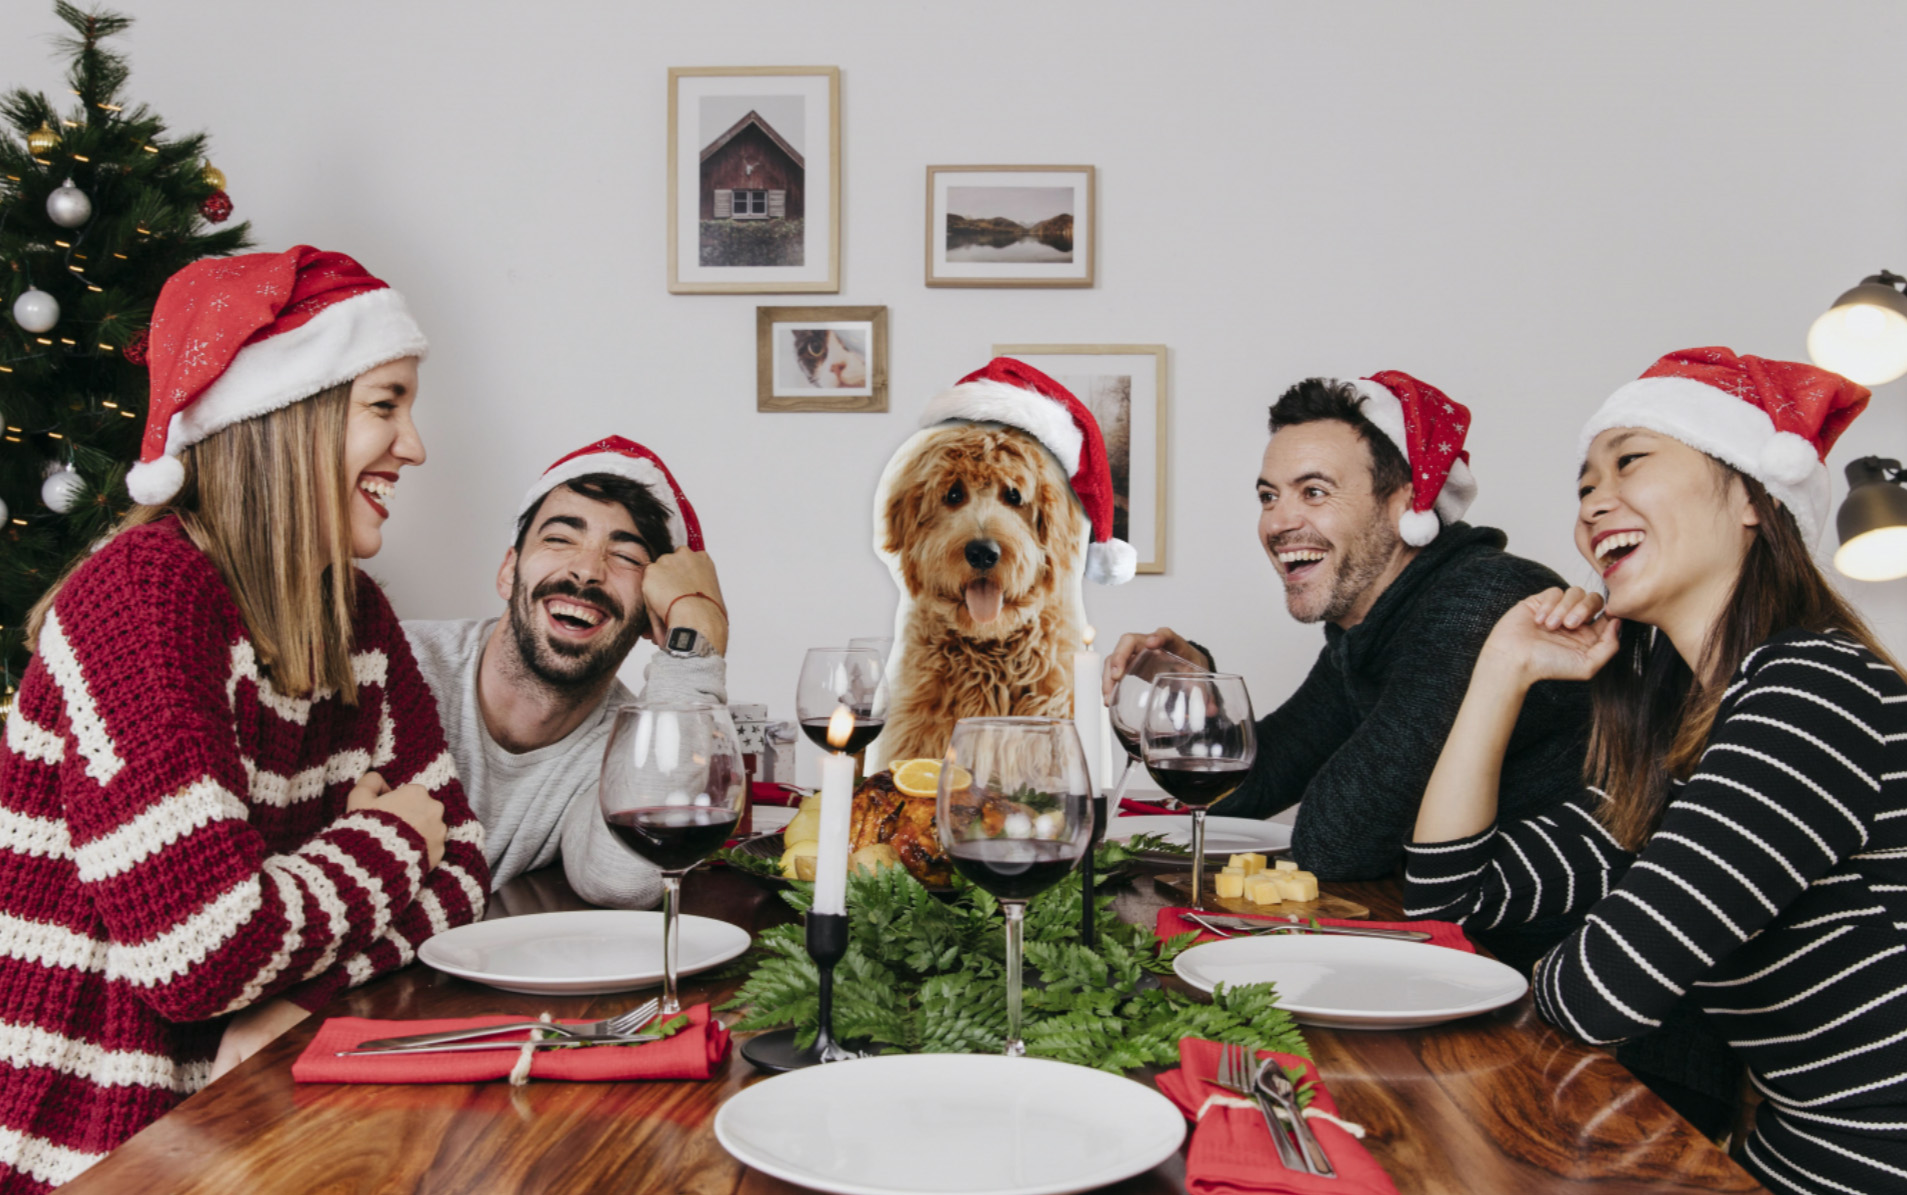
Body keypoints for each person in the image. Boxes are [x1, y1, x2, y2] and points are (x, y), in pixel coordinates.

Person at [0, 247, 488, 1192]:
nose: (414, 446)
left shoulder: (352, 612)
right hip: (102, 1151)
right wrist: (390, 835)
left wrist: (295, 996)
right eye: (385, 405)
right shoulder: (142, 599)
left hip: (259, 1116)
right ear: (289, 415)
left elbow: (462, 868)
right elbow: (202, 951)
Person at [1404, 347, 1906, 1192]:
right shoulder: (1684, 734)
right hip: (1780, 1159)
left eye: (1629, 459)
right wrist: (1500, 670)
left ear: (1752, 497)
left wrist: (1561, 965)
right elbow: (1448, 900)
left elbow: (1599, 993)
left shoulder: (1813, 690)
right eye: (1582, 485)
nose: (1593, 502)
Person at [1106, 372, 1590, 882]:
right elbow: (1244, 790)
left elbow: (1334, 845)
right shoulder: (1371, 625)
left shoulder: (1483, 601)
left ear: (1406, 502)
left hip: (1541, 931)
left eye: (1314, 492)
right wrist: (1198, 685)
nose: (1277, 523)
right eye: (1269, 497)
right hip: (1444, 920)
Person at [404, 438, 729, 908]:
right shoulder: (397, 662)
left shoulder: (625, 748)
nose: (586, 570)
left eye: (627, 556)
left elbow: (623, 881)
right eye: (559, 539)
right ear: (508, 570)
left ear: (652, 615)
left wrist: (697, 633)